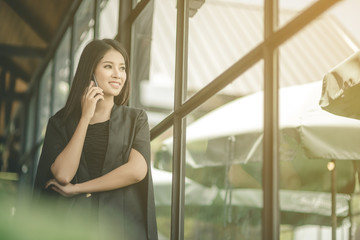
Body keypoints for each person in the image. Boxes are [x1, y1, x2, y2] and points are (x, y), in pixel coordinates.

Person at [33, 39, 158, 240]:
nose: (118, 74)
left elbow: (137, 171)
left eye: (122, 68)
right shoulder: (60, 123)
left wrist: (78, 189)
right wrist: (85, 118)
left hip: (121, 229)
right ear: (89, 72)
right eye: (108, 66)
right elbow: (63, 175)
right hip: (73, 229)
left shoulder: (136, 119)